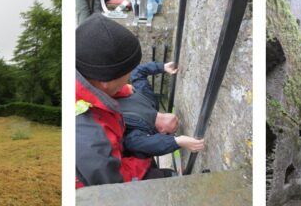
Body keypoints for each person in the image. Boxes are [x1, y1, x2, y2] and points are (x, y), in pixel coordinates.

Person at [75, 14, 146, 188]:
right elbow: (115, 182)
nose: (130, 77)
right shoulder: (92, 140)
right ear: (105, 81)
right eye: (128, 72)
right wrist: (146, 158)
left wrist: (120, 90)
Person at [117, 61, 204, 180]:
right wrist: (162, 67)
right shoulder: (150, 100)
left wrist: (176, 142)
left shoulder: (138, 135)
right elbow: (137, 72)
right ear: (162, 132)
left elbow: (147, 144)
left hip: (124, 156)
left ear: (162, 131)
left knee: (151, 166)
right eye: (175, 128)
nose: (177, 120)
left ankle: (172, 176)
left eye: (176, 126)